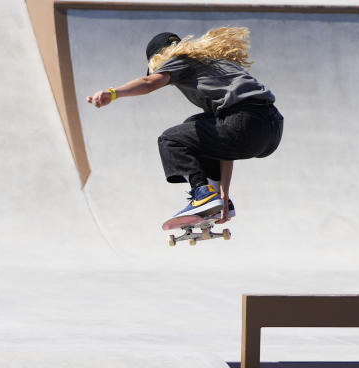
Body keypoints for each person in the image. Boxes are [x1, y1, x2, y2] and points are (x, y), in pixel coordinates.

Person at [86, 27, 283, 222]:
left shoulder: (179, 60)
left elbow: (148, 83)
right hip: (270, 130)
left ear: (160, 59)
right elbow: (224, 149)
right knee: (195, 125)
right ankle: (215, 197)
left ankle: (201, 192)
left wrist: (113, 94)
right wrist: (225, 193)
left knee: (170, 140)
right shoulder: (214, 64)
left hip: (244, 123)